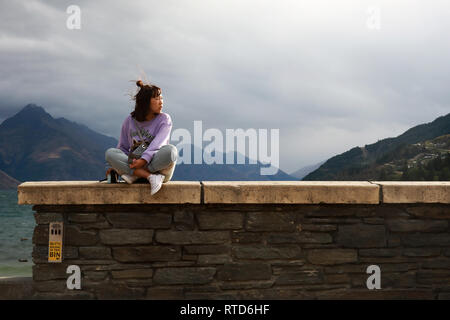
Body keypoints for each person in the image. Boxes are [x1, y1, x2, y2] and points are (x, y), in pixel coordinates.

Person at [105, 80, 178, 195]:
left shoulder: (164, 119)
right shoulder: (129, 121)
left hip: (159, 169)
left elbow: (158, 144)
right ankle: (148, 176)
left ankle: (136, 174)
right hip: (135, 164)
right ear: (145, 102)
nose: (161, 102)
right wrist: (116, 167)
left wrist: (143, 160)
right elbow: (123, 148)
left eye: (162, 98)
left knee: (171, 151)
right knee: (110, 153)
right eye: (157, 99)